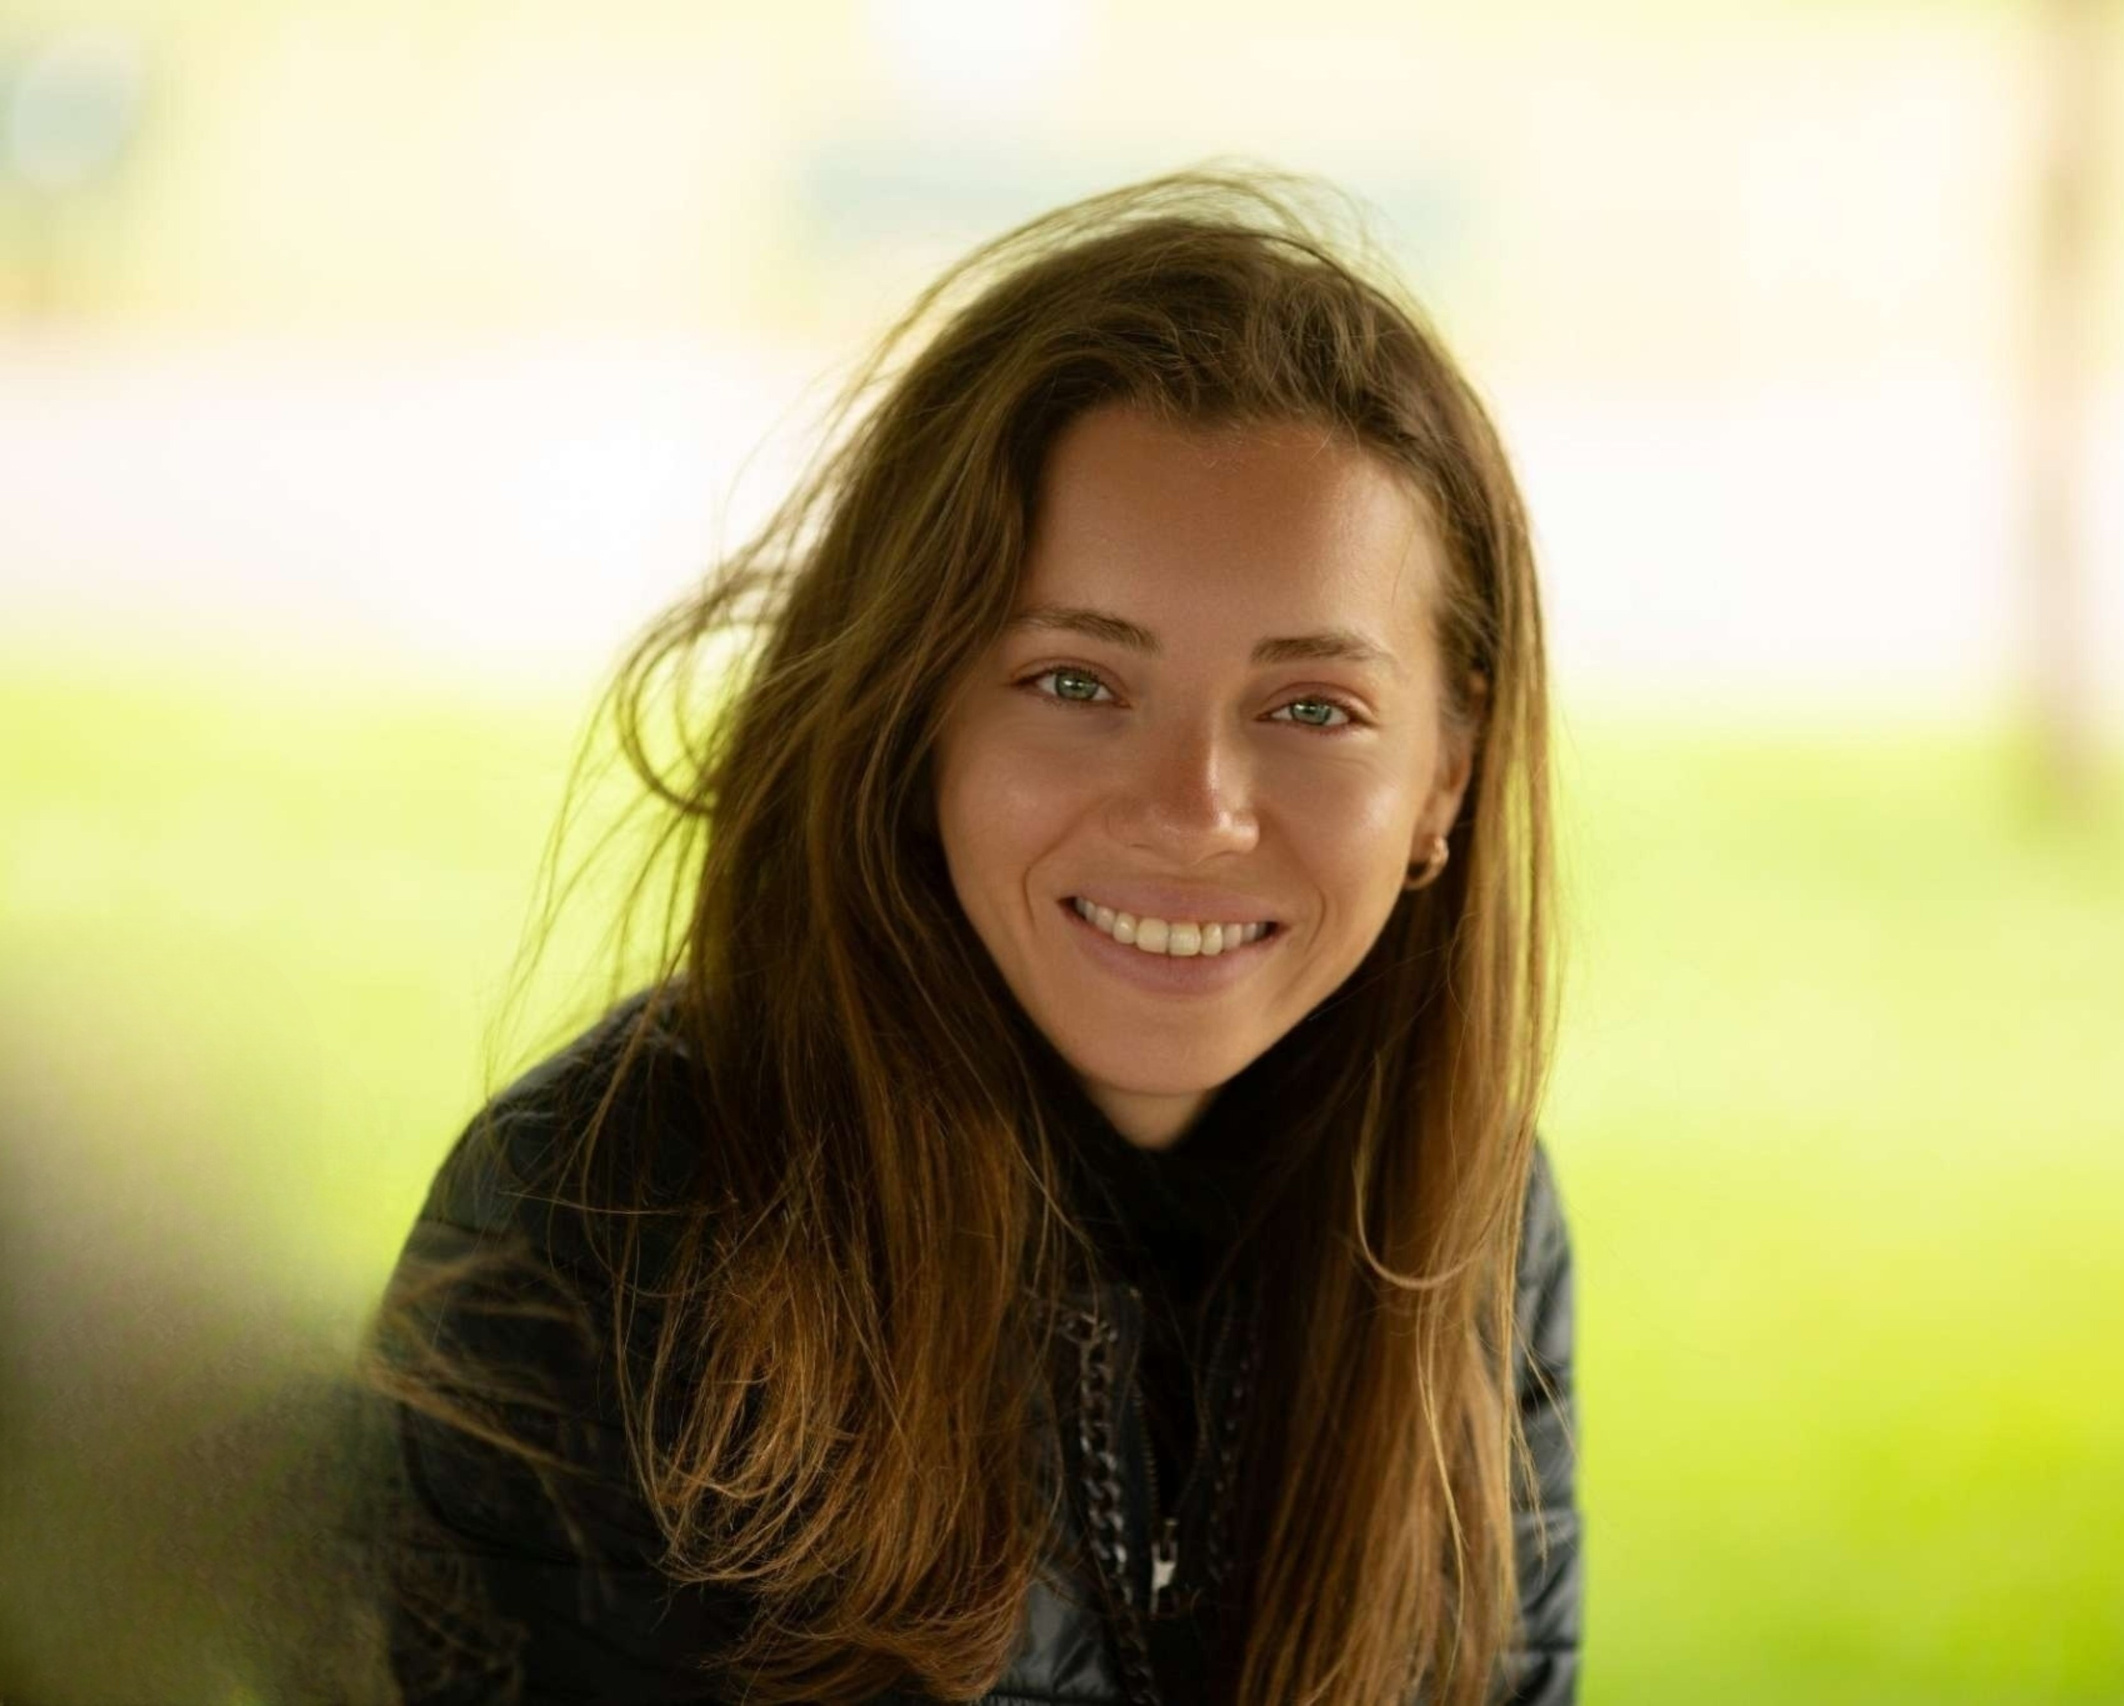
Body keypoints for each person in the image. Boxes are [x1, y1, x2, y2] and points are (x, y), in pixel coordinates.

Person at [363, 169, 1579, 1706]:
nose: (1196, 809)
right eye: (1077, 681)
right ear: (914, 712)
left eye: (1312, 707)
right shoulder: (602, 1221)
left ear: (1446, 776)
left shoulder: (1466, 1213)